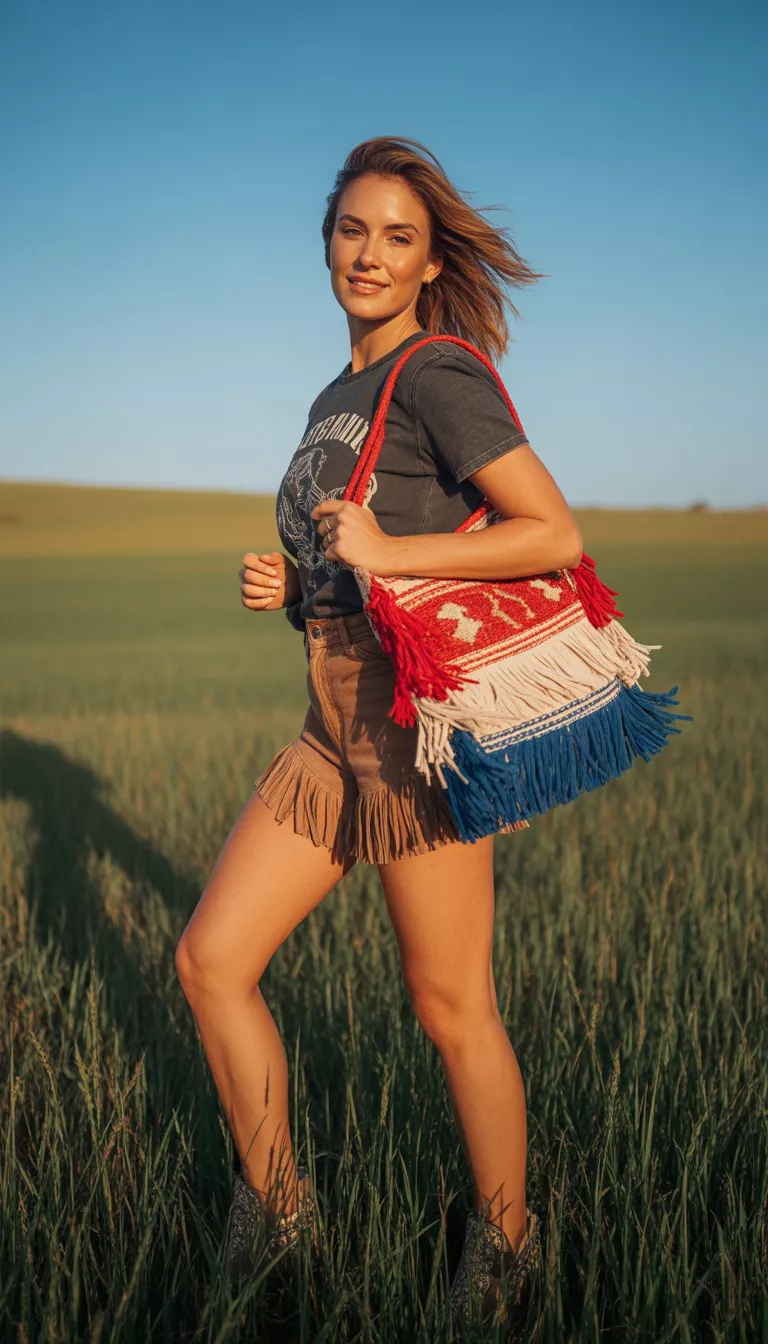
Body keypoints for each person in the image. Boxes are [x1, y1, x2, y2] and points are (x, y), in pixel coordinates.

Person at [175, 135, 582, 1330]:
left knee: (450, 1006)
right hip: (327, 727)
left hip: (415, 738)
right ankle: (281, 1209)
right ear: (327, 245)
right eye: (353, 229)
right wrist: (291, 586)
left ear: (425, 261)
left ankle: (507, 1246)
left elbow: (550, 533)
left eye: (396, 236)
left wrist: (390, 553)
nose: (369, 252)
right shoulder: (332, 398)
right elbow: (345, 570)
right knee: (211, 963)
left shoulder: (442, 373)